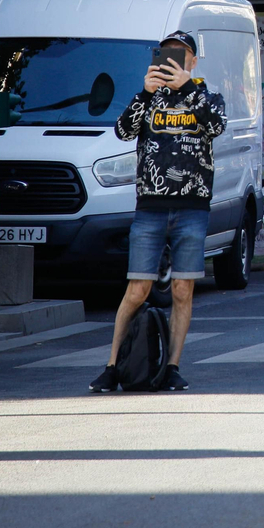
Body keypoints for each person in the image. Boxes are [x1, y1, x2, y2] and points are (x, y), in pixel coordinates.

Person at [92, 31, 225, 393]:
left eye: (181, 54)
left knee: (182, 289)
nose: (174, 60)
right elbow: (123, 131)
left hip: (192, 206)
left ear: (193, 61)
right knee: (138, 289)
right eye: (168, 54)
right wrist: (145, 93)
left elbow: (216, 125)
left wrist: (186, 88)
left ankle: (172, 367)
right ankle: (112, 366)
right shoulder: (149, 97)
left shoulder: (206, 95)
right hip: (150, 206)